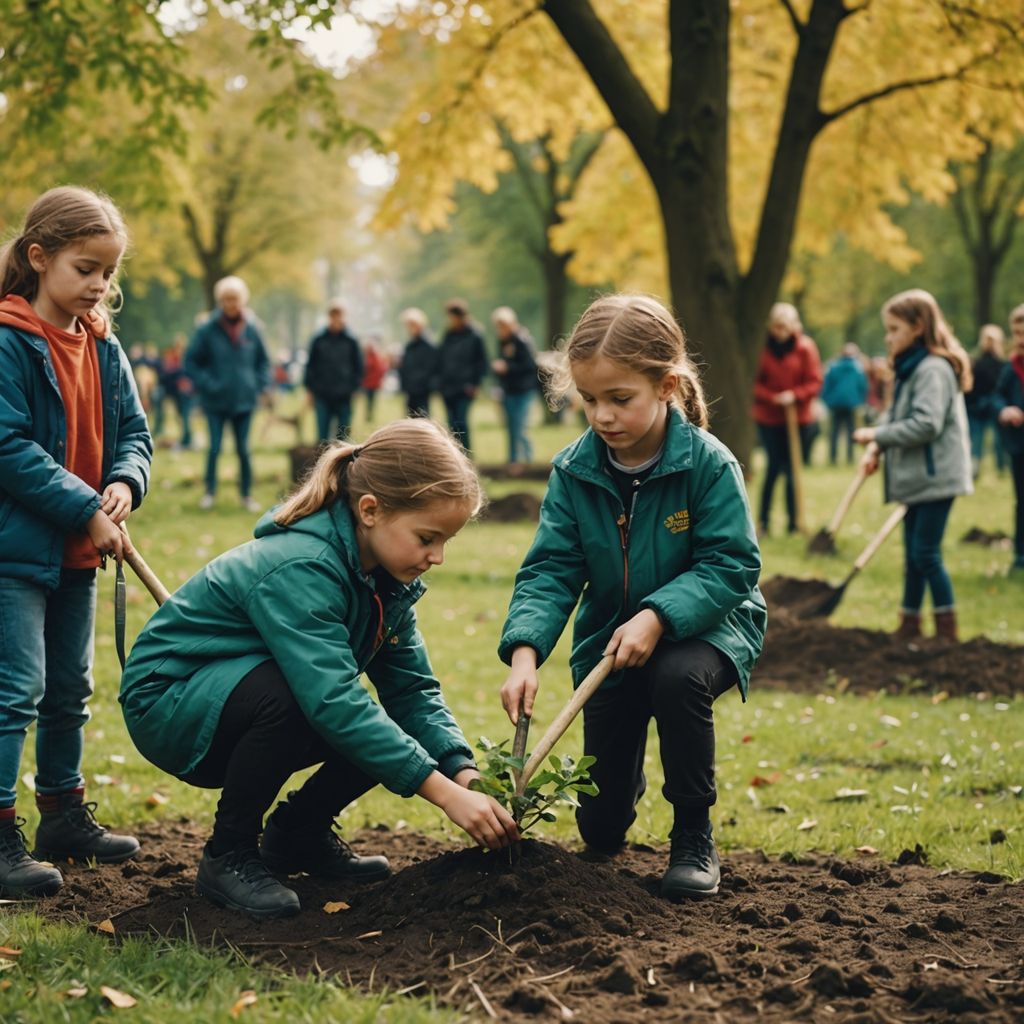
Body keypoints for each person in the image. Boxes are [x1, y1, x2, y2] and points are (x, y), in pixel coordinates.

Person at [119, 419, 518, 919]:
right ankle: (228, 854)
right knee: (303, 700)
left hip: (243, 690)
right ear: (370, 510)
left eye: (446, 542)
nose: (436, 557)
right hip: (170, 700)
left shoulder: (383, 581)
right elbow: (331, 700)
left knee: (381, 725)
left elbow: (413, 692)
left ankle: (298, 834)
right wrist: (441, 795)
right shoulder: (302, 565)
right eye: (427, 537)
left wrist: (464, 774)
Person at [498, 294, 766, 902]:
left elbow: (733, 565)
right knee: (600, 826)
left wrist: (658, 614)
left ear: (667, 385)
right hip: (611, 646)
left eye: (621, 399)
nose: (603, 416)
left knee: (676, 678)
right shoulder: (574, 471)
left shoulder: (708, 465)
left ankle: (693, 834)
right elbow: (551, 570)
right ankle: (621, 797)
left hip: (710, 629)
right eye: (589, 400)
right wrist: (523, 652)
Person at [0, 186, 153, 898]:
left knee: (70, 689)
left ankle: (62, 812)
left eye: (107, 274)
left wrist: (125, 484)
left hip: (79, 551)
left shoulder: (103, 343)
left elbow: (134, 434)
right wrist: (86, 504)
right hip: (16, 551)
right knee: (16, 691)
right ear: (39, 257)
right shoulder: (8, 339)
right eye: (85, 268)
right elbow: (8, 446)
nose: (98, 286)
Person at [853, 289, 973, 642]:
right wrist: (878, 446)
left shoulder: (933, 369)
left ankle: (947, 632)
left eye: (894, 329)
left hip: (937, 477)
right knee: (913, 556)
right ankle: (909, 625)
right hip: (919, 477)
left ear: (918, 327)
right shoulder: (911, 368)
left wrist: (878, 434)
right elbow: (898, 417)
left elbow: (927, 423)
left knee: (926, 554)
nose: (888, 337)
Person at [186, 277, 269, 512]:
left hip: (244, 401)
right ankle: (209, 492)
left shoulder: (252, 328)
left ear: (242, 300)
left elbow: (263, 362)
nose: (231, 303)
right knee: (214, 448)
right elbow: (191, 362)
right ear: (220, 300)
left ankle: (246, 494)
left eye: (235, 298)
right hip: (215, 401)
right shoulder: (207, 329)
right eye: (227, 299)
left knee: (243, 449)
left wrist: (259, 384)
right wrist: (208, 383)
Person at [751, 302, 823, 534]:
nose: (780, 331)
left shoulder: (805, 348)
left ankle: (794, 523)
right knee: (773, 468)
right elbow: (755, 383)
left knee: (792, 469)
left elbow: (814, 381)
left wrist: (795, 395)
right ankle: (763, 522)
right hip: (769, 418)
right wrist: (773, 398)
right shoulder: (762, 348)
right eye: (776, 326)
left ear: (794, 326)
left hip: (798, 418)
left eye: (785, 326)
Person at [304, 299, 363, 443]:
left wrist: (355, 388)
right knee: (322, 437)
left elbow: (359, 367)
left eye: (339, 315)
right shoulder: (318, 339)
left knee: (343, 437)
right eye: (333, 315)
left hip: (344, 395)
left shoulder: (351, 340)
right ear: (329, 317)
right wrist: (310, 390)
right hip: (322, 394)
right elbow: (310, 366)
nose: (336, 318)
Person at [491, 307, 539, 471]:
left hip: (523, 390)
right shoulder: (503, 341)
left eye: (502, 326)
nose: (500, 330)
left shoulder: (522, 340)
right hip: (508, 390)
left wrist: (508, 367)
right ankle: (514, 459)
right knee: (512, 426)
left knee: (519, 425)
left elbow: (529, 365)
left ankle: (525, 460)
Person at [995, 304, 1024, 573]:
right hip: (1019, 444)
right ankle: (1021, 556)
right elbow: (996, 396)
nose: (1021, 339)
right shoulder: (1011, 367)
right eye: (1016, 333)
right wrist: (1004, 408)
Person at [437, 298, 487, 452]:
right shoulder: (448, 335)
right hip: (448, 388)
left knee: (461, 422)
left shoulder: (475, 336)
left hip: (466, 388)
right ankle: (454, 455)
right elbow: (441, 359)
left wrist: (476, 384)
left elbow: (482, 362)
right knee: (451, 423)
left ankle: (466, 455)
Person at [966, 324, 1007, 479]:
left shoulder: (1002, 364)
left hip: (994, 406)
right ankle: (974, 469)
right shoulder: (975, 362)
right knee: (976, 441)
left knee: (999, 440)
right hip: (976, 407)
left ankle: (1002, 467)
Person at [821, 342, 869, 466]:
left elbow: (826, 385)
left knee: (834, 432)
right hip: (851, 403)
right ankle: (849, 458)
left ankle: (832, 458)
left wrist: (827, 400)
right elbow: (863, 386)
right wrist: (860, 401)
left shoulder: (833, 366)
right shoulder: (858, 368)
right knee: (851, 432)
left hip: (835, 403)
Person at [397, 307, 438, 418]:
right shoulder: (409, 346)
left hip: (422, 389)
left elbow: (431, 368)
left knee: (422, 418)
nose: (409, 328)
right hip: (410, 389)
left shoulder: (428, 346)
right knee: (410, 418)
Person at [157, 333, 194, 450]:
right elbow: (165, 374)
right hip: (171, 389)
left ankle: (186, 439)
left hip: (183, 393)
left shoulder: (187, 357)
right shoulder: (169, 356)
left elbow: (189, 373)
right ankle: (158, 430)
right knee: (179, 415)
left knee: (184, 416)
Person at [361, 336, 389, 424]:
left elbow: (380, 369)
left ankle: (370, 416)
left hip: (372, 383)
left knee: (371, 400)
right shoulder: (367, 356)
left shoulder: (375, 357)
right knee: (369, 400)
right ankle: (368, 416)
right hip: (368, 383)